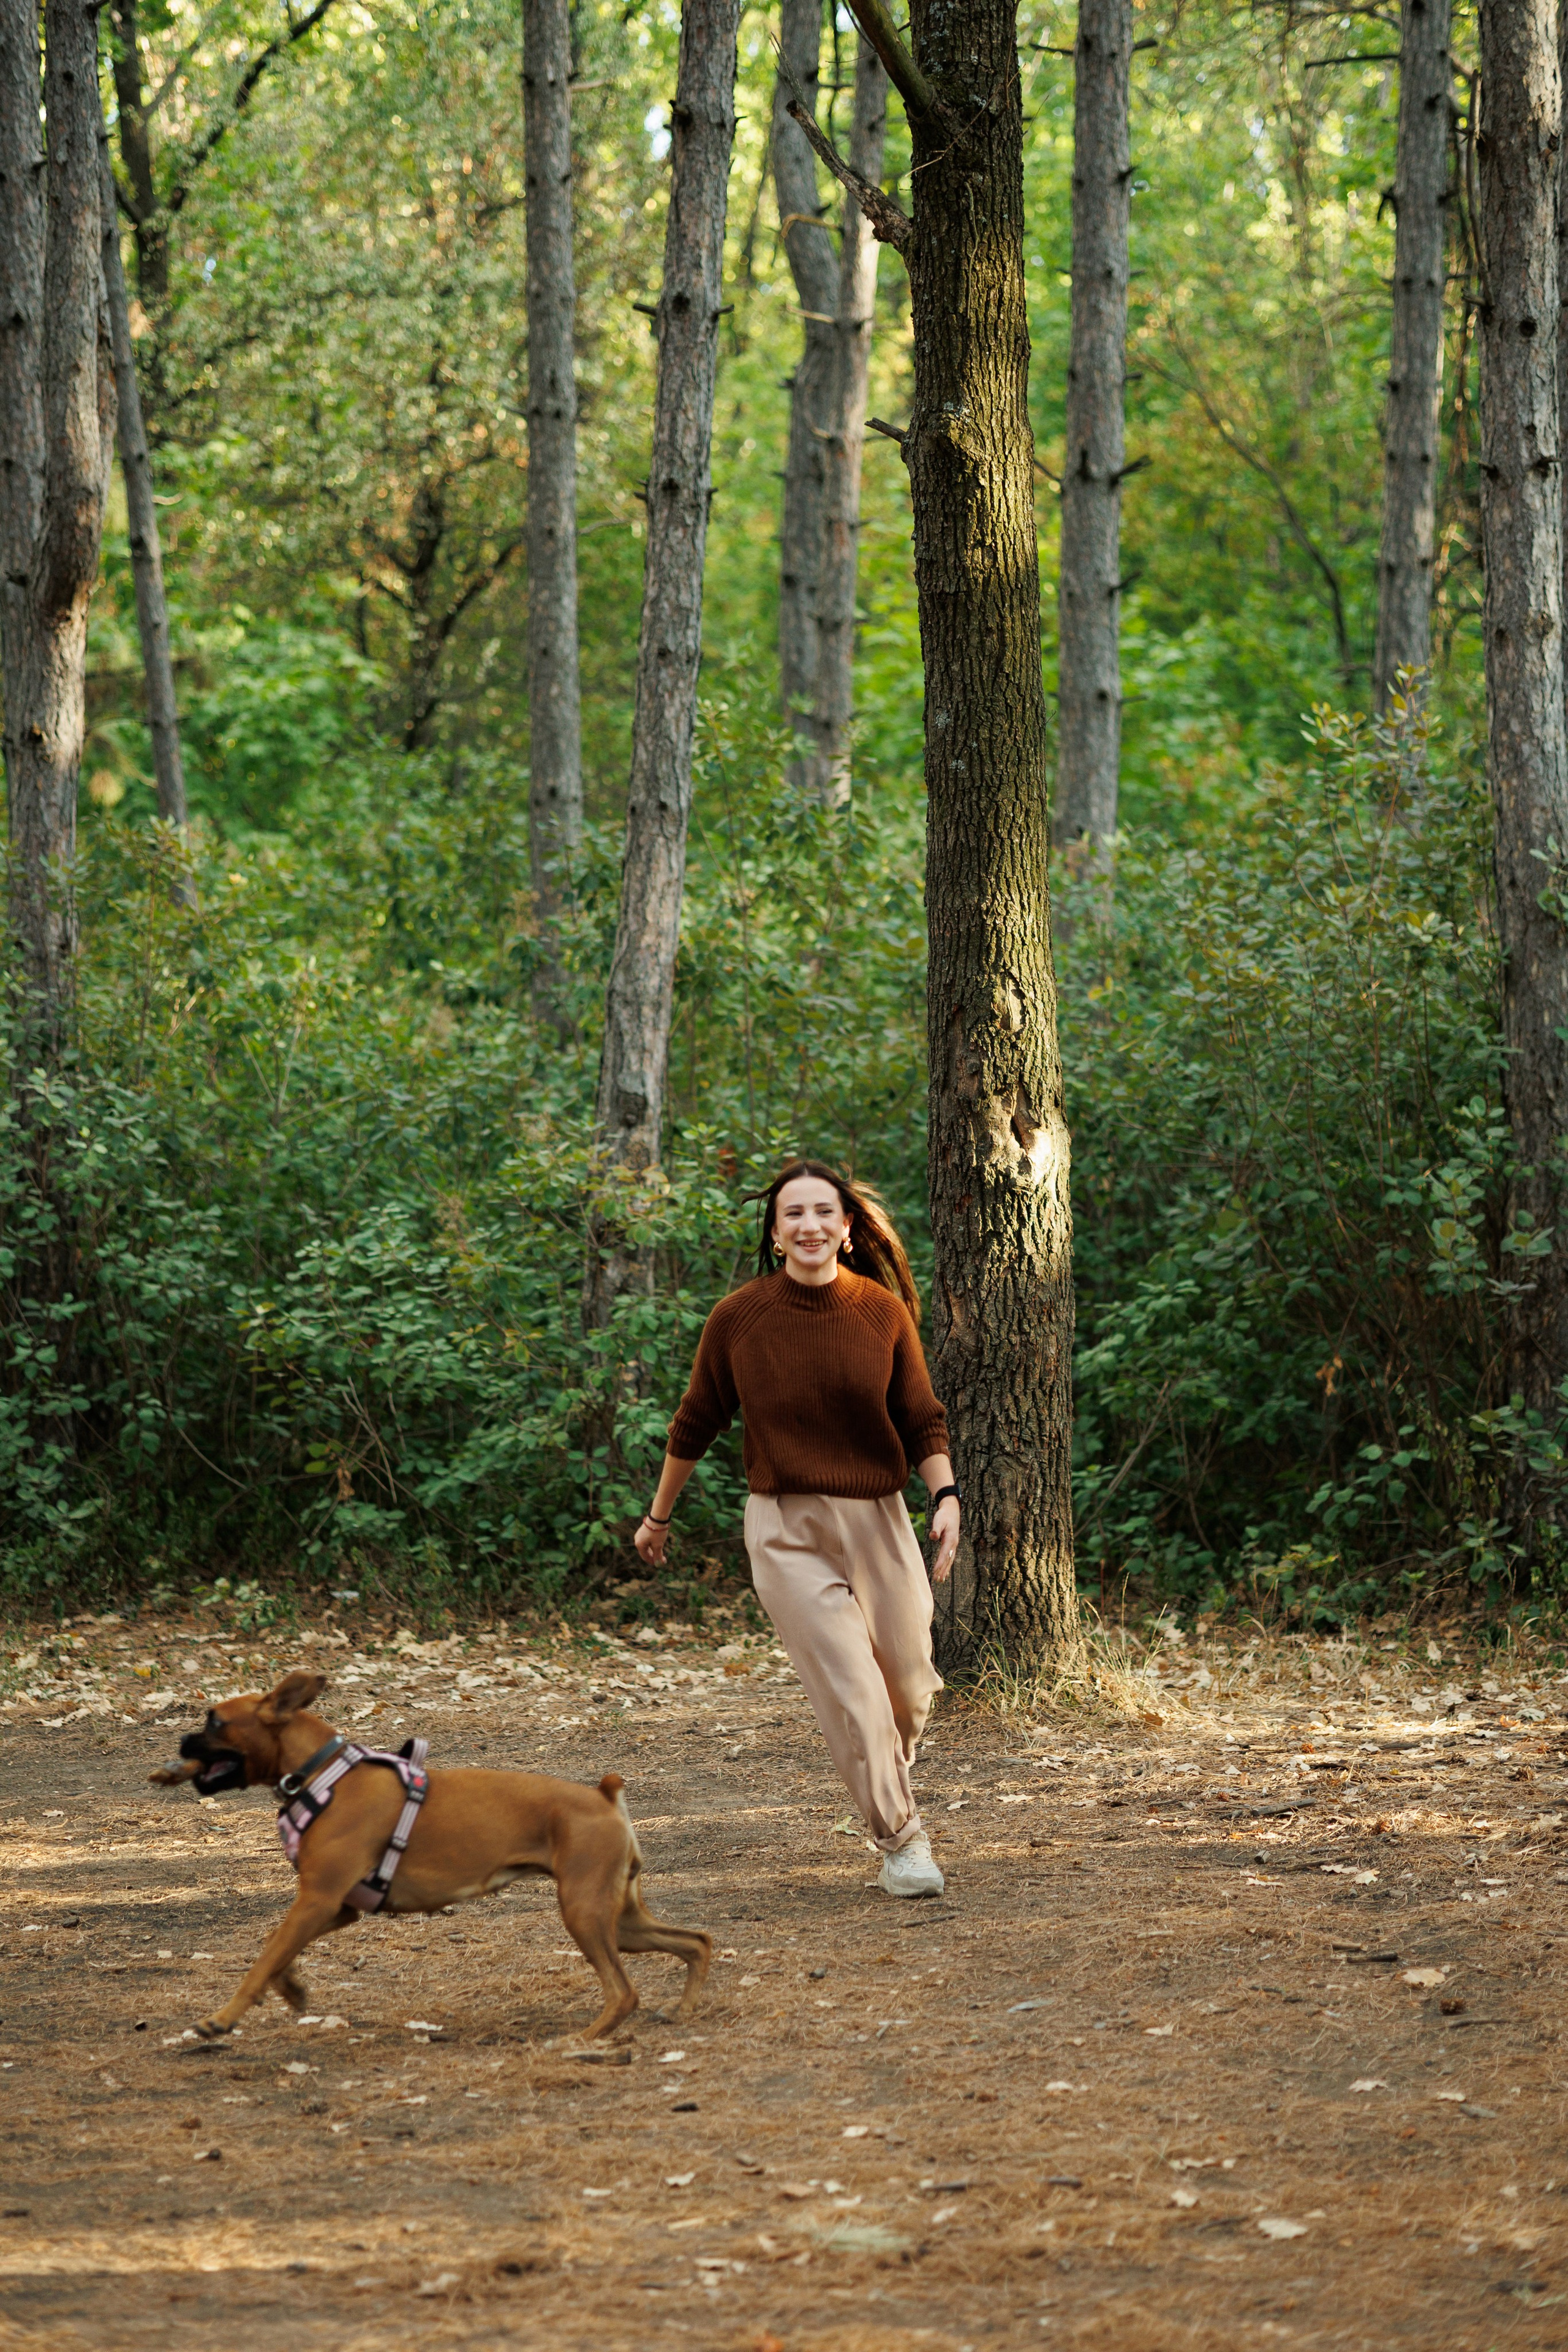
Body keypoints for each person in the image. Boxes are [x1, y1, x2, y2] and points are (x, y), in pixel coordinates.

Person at [635, 1159, 960, 1898]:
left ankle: (880, 1775)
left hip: (878, 1521)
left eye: (822, 1213)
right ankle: (902, 1842)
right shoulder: (738, 1319)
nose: (809, 1225)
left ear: (846, 1229)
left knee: (909, 1687)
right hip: (785, 1528)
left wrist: (946, 1496)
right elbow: (696, 1420)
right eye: (793, 1215)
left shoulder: (881, 1313)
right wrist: (658, 1517)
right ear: (775, 1233)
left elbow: (920, 1418)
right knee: (854, 1691)